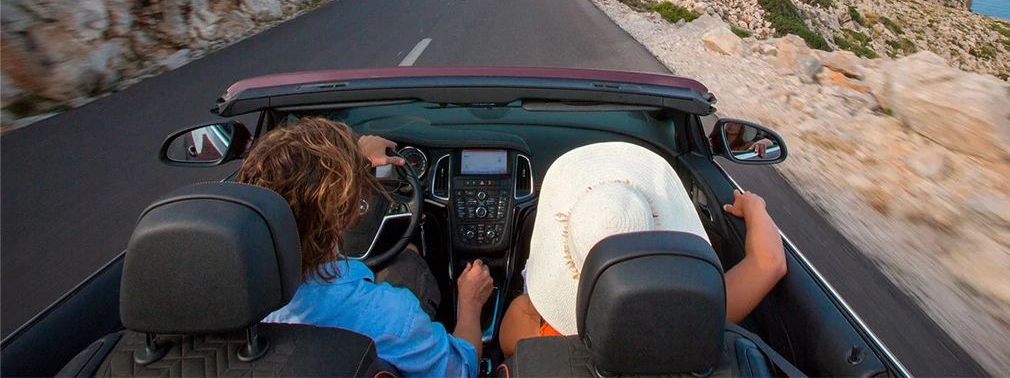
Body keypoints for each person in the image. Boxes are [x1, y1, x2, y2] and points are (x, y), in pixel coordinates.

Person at [235, 117, 493, 377]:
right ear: (344, 213)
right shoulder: (390, 315)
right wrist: (471, 303)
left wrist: (352, 157)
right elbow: (462, 368)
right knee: (409, 259)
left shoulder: (233, 300)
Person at [498, 141, 786, 356]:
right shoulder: (701, 314)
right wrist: (754, 206)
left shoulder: (527, 330)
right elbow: (770, 261)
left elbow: (522, 317)